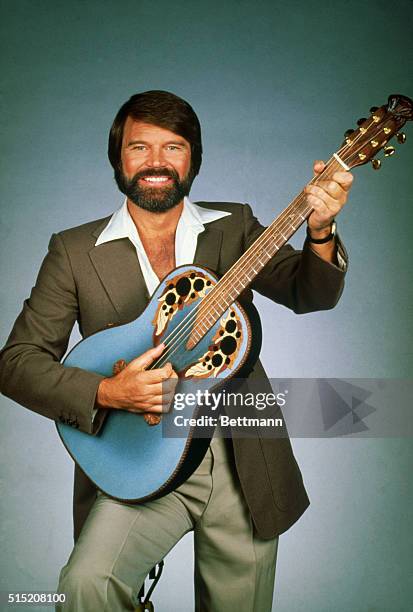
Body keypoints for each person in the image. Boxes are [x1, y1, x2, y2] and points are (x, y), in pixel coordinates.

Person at [0, 90, 352, 611]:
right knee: (87, 584)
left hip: (242, 455)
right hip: (140, 459)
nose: (157, 163)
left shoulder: (234, 227)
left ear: (194, 159)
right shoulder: (73, 251)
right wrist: (105, 389)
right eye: (139, 147)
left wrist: (320, 230)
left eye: (174, 147)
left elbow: (310, 293)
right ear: (118, 158)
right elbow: (17, 363)